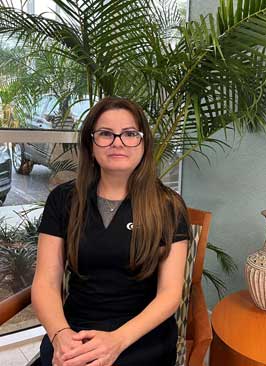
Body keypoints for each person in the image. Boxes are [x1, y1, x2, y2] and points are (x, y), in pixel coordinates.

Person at [32, 97, 190, 366]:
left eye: (130, 134)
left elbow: (170, 294)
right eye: (105, 134)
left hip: (141, 335)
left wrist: (117, 341)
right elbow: (46, 281)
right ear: (90, 144)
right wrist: (61, 336)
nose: (117, 142)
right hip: (75, 331)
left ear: (144, 143)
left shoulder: (168, 206)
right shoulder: (63, 200)